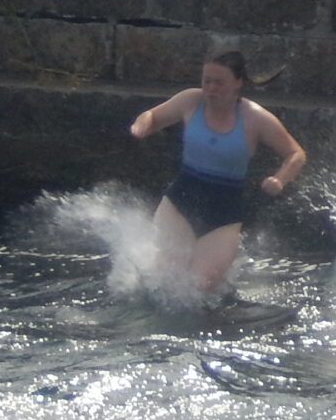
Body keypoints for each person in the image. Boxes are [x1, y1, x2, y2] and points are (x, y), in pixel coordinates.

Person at [129, 50, 307, 298]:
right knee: (166, 282)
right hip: (180, 202)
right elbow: (152, 116)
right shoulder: (190, 101)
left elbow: (295, 153)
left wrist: (280, 179)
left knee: (200, 288)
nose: (211, 88)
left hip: (224, 213)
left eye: (219, 82)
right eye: (206, 81)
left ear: (238, 83)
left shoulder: (256, 118)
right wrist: (141, 126)